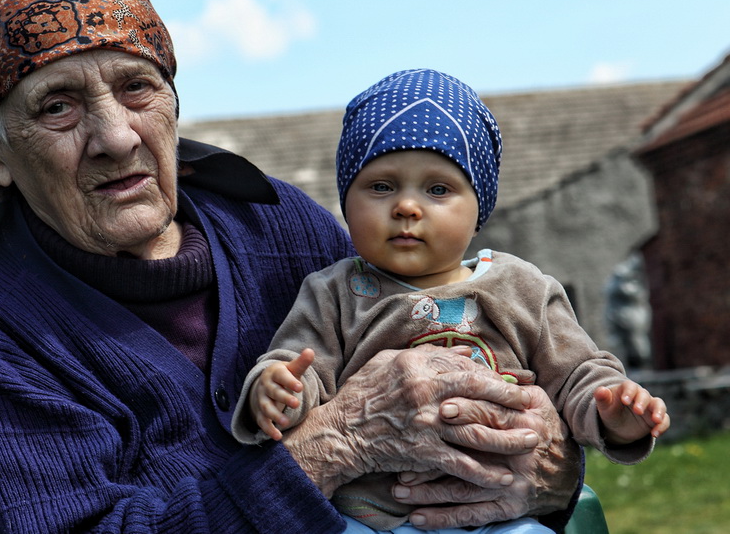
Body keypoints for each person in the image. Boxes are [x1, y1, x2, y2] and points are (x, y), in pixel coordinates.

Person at [0, 0, 584, 533]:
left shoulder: (280, 224)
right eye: (57, 106)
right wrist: (330, 447)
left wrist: (542, 459)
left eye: (137, 87)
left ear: (172, 104)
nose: (116, 137)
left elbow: (441, 364)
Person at [234, 69, 670, 532]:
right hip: (373, 518)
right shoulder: (333, 294)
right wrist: (276, 391)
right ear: (347, 201)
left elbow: (578, 376)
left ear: (478, 208)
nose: (406, 207)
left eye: (438, 189)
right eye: (380, 186)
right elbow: (300, 369)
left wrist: (616, 414)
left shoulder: (522, 289)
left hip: (502, 509)